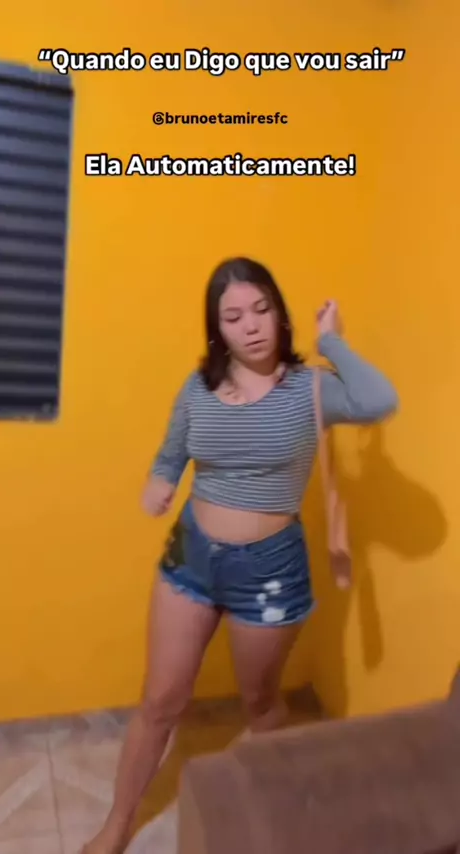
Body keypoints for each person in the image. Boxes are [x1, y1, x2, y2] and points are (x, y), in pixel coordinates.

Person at [83, 257, 398, 854]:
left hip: (269, 573)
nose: (251, 326)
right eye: (233, 316)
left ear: (280, 315)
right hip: (191, 559)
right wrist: (160, 481)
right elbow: (172, 452)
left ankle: (279, 804)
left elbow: (379, 399)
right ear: (217, 328)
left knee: (260, 702)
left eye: (261, 310)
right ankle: (118, 824)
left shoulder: (310, 389)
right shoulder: (198, 388)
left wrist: (332, 342)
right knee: (160, 701)